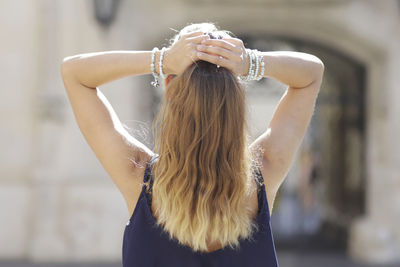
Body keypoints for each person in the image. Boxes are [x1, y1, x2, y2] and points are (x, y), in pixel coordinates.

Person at [60, 22, 324, 267]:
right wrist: (248, 62)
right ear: (236, 98)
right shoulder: (264, 171)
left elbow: (75, 73)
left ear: (168, 86)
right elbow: (311, 73)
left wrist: (163, 60)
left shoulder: (136, 175)